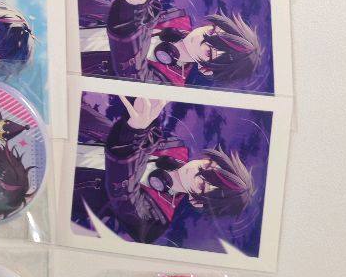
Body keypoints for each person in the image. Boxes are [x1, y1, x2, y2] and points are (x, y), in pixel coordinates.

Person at [73, 96, 254, 243]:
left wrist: (134, 132)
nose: (195, 173)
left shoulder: (155, 222)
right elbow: (114, 126)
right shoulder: (174, 145)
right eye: (206, 167)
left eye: (202, 186)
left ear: (196, 202)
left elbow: (122, 191)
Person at [77, 0, 262, 89]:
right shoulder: (176, 17)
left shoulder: (169, 84)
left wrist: (132, 8)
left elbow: (131, 71)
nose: (201, 39)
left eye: (209, 52)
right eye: (212, 33)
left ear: (206, 70)